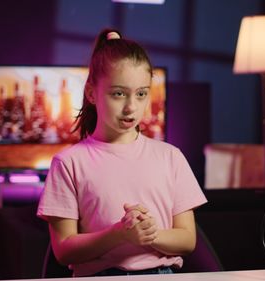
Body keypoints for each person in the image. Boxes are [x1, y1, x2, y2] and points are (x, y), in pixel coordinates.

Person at [37, 28, 207, 277]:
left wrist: (150, 234)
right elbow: (64, 250)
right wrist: (119, 234)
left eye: (141, 94)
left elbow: (187, 239)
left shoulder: (170, 157)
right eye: (118, 94)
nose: (131, 107)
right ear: (92, 93)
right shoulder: (69, 162)